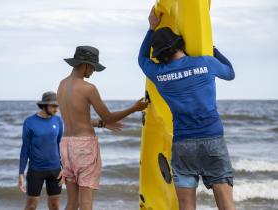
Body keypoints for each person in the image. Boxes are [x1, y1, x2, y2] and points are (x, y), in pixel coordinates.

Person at [138, 7, 236, 210]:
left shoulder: (159, 75)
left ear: (160, 55)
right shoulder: (207, 62)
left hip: (182, 144)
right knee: (226, 204)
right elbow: (230, 73)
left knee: (186, 206)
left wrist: (150, 29)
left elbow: (141, 60)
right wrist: (213, 50)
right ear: (179, 43)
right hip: (213, 139)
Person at [57, 46, 149, 210]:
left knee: (72, 202)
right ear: (85, 65)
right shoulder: (88, 88)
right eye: (92, 68)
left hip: (65, 146)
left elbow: (78, 118)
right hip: (84, 147)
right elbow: (108, 116)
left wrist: (101, 124)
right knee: (85, 202)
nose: (92, 72)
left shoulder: (62, 85)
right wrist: (134, 108)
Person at [18, 91, 64, 210]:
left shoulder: (58, 121)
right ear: (44, 105)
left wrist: (65, 168)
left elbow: (60, 145)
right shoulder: (29, 122)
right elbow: (25, 148)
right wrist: (21, 172)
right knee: (31, 206)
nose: (56, 109)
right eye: (53, 106)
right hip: (35, 170)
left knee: (55, 206)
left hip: (55, 170)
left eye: (57, 106)